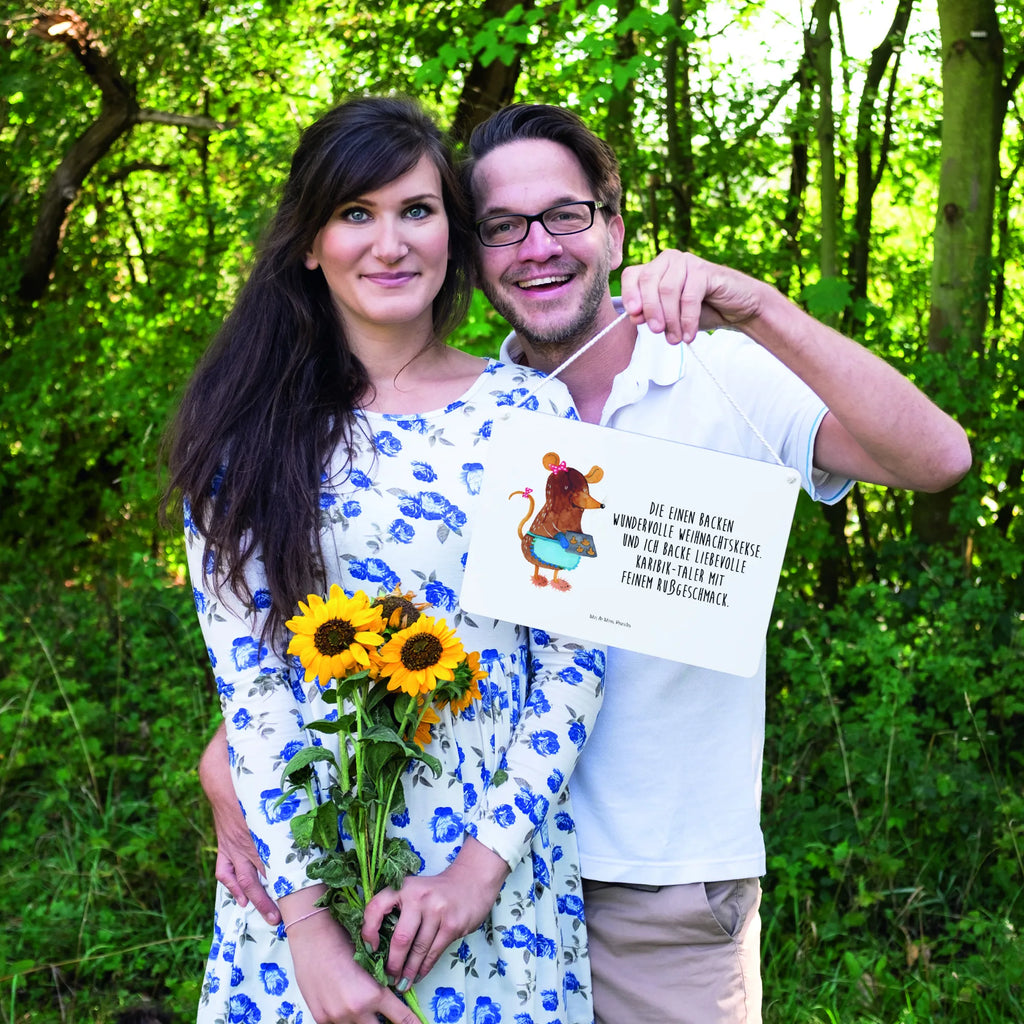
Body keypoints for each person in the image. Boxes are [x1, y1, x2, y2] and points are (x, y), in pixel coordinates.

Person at [202, 102, 972, 1024]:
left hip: (650, 887)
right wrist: (236, 772)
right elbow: (326, 634)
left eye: (565, 215)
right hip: (416, 875)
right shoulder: (446, 419)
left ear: (612, 226)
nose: (537, 247)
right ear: (474, 251)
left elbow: (938, 461)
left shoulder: (707, 374)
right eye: (502, 226)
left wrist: (759, 306)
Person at [164, 96, 608, 1024]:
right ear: (308, 243)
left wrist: (478, 873)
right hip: (303, 887)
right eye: (355, 214)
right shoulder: (245, 436)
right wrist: (311, 936)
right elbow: (252, 690)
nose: (390, 242)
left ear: (452, 229)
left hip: (492, 888)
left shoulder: (532, 416)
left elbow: (574, 661)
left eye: (417, 210)